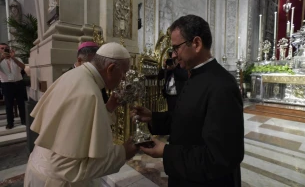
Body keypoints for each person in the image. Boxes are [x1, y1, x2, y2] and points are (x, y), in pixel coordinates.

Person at [131, 15, 244, 187]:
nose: (174, 55)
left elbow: (220, 158)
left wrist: (166, 152)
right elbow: (188, 120)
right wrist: (153, 117)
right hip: (186, 175)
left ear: (196, 44)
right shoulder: (195, 75)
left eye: (176, 48)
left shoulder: (222, 85)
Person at [24, 42, 139, 187]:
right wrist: (123, 153)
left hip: (39, 168)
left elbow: (77, 126)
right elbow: (72, 168)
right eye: (123, 73)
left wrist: (109, 108)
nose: (123, 79)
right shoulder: (88, 92)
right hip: (56, 181)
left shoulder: (76, 75)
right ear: (110, 68)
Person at [0, 43, 26, 129]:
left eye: (6, 48)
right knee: (9, 105)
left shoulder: (17, 58)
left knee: (21, 103)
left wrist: (13, 58)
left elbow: (23, 67)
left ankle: (24, 120)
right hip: (7, 85)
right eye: (2, 48)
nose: (4, 50)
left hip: (19, 83)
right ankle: (10, 123)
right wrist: (2, 57)